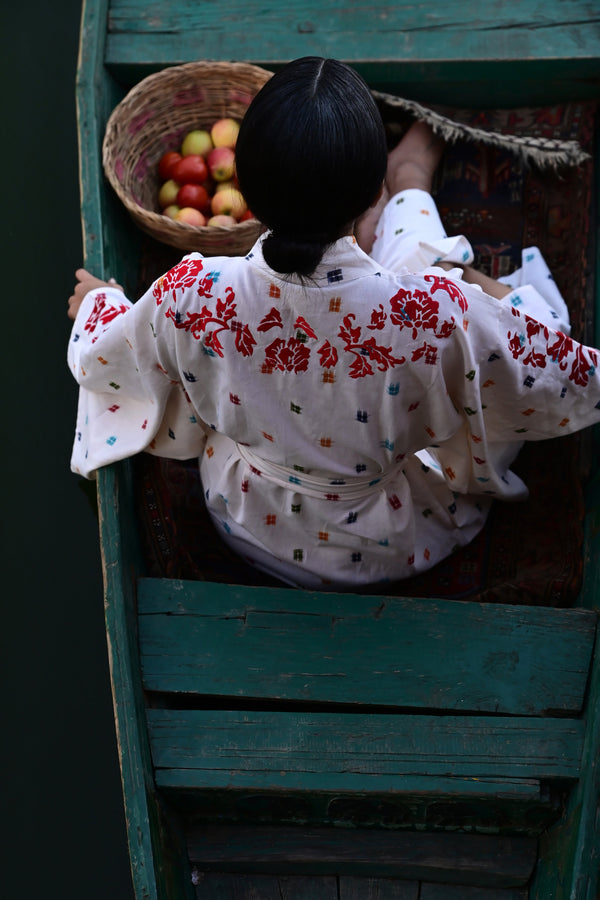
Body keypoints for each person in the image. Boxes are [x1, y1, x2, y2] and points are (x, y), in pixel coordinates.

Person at [68, 56, 595, 591]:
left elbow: (110, 357)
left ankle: (399, 207)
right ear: (367, 196)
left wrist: (102, 303)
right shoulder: (433, 313)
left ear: (246, 194)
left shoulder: (195, 292)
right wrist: (451, 284)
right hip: (397, 542)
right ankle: (411, 193)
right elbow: (554, 370)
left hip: (247, 523)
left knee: (417, 287)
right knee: (518, 314)